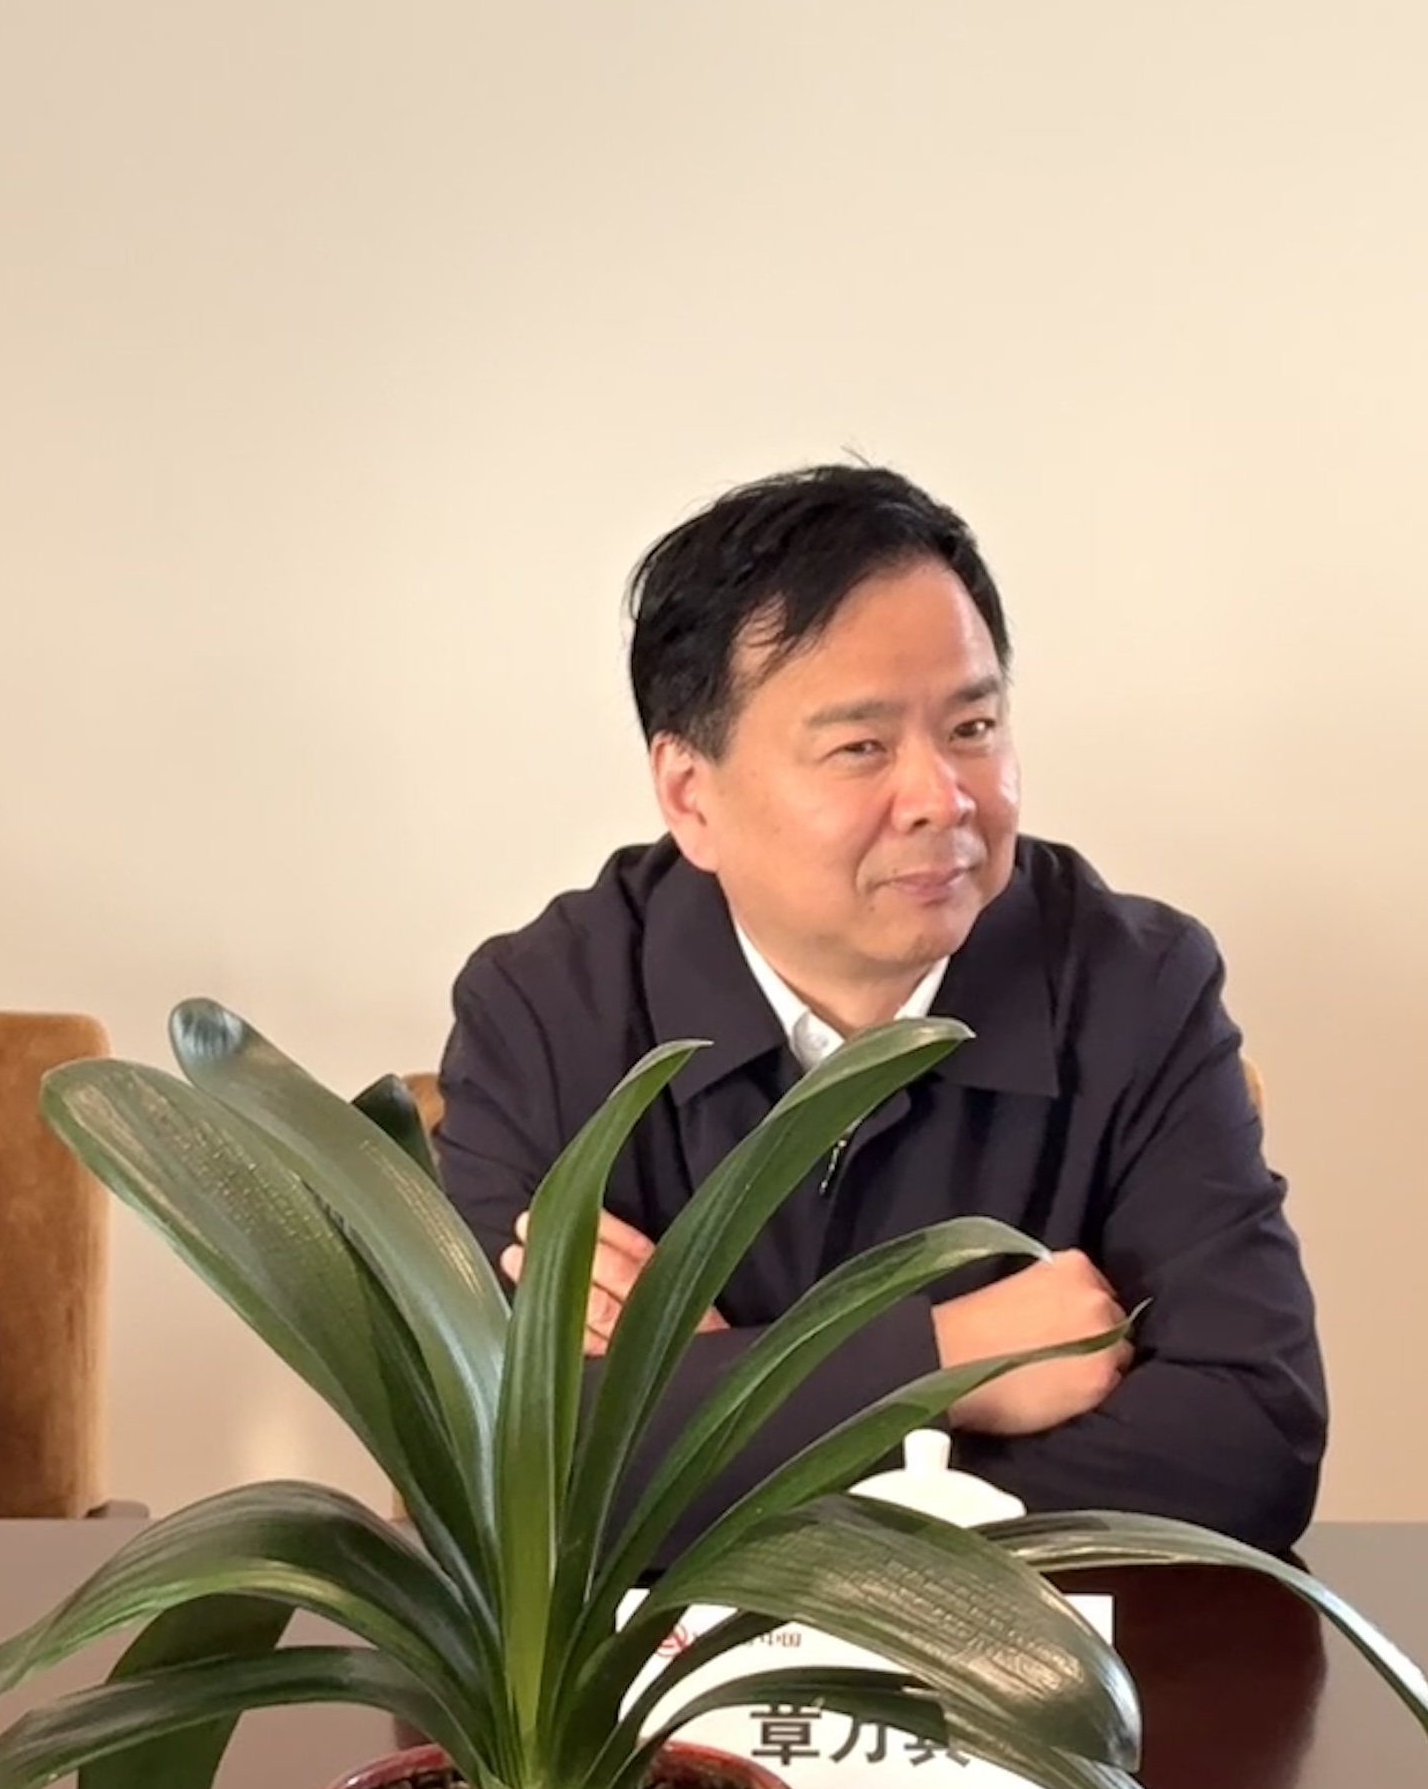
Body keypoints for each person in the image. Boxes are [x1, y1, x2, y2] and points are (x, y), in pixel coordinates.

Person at [434, 464, 1326, 1547]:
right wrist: (947, 1363)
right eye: (860, 747)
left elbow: (1251, 1442)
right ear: (690, 794)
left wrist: (711, 1406)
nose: (941, 799)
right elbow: (488, 1468)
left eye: (973, 727)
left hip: (1029, 1653)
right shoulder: (549, 1009)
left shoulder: (1133, 986)